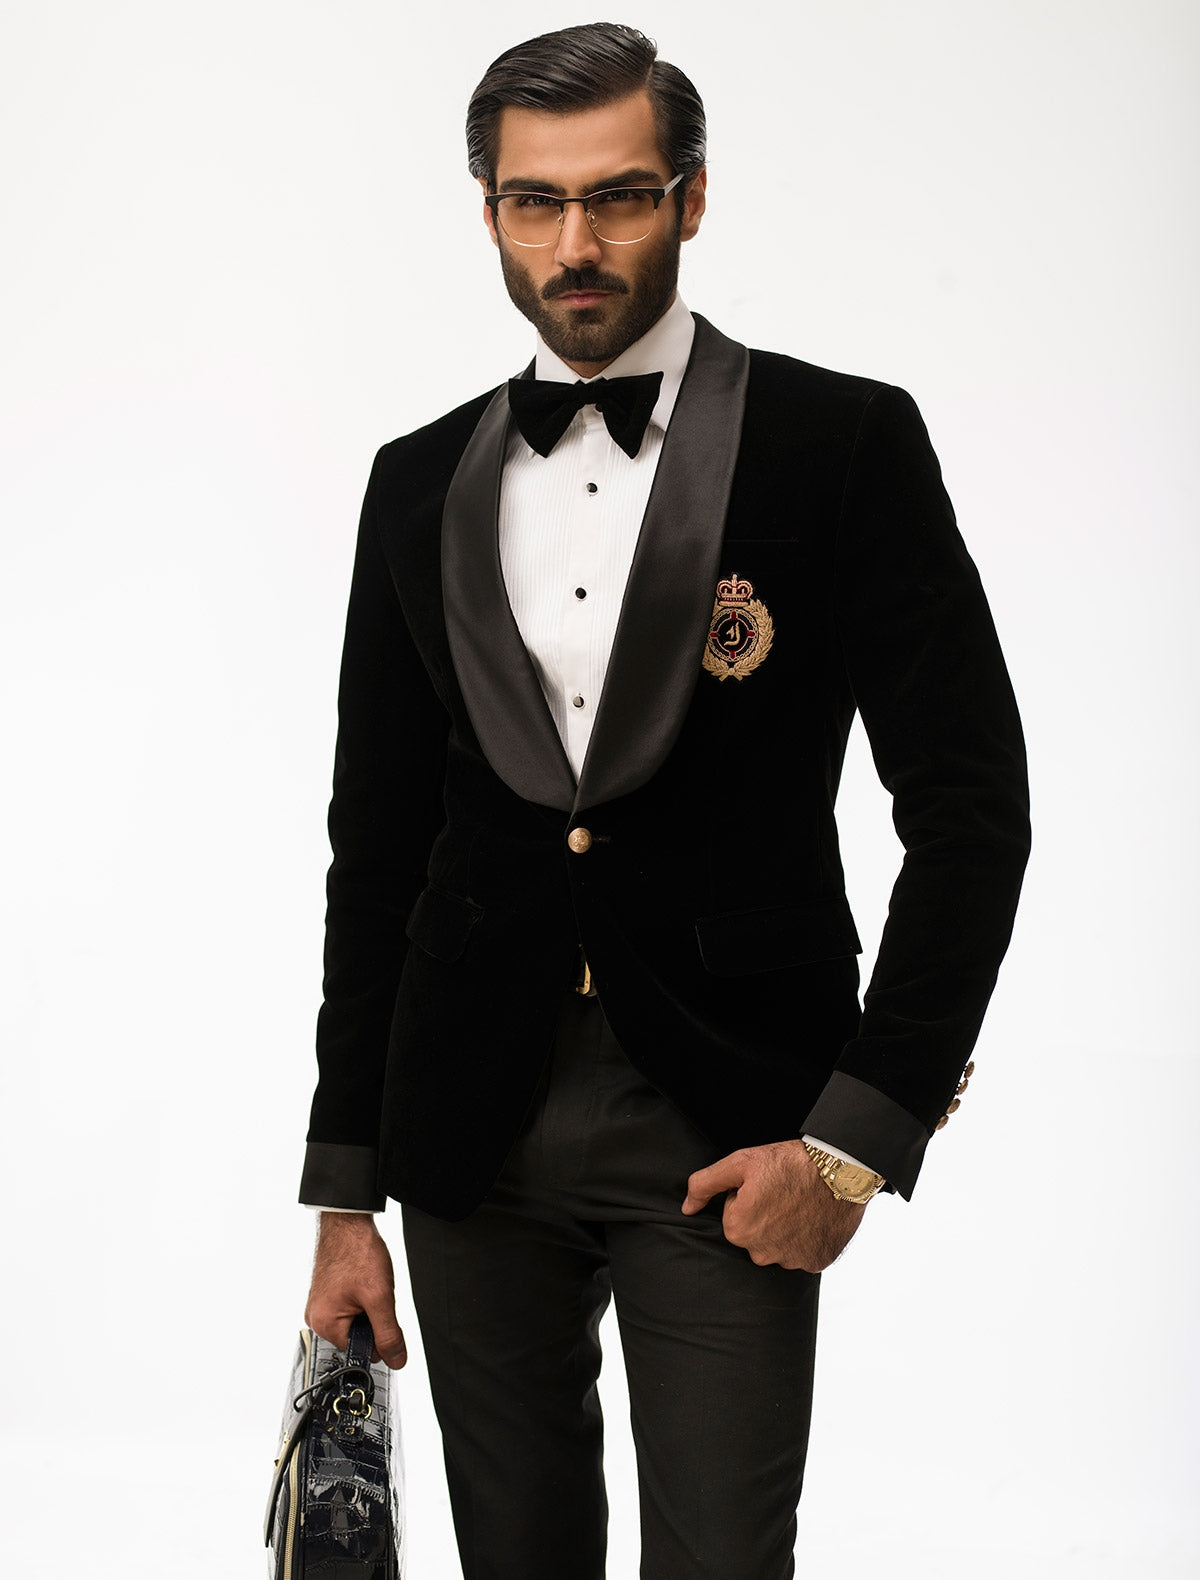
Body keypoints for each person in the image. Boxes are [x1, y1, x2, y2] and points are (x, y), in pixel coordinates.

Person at [300, 21, 1030, 1580]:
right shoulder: (414, 479)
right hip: (468, 1128)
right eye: (536, 201)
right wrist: (344, 1195)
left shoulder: (845, 444)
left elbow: (973, 811)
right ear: (490, 213)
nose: (577, 242)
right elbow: (379, 852)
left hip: (734, 1123)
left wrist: (854, 1141)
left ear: (691, 199)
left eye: (620, 196)